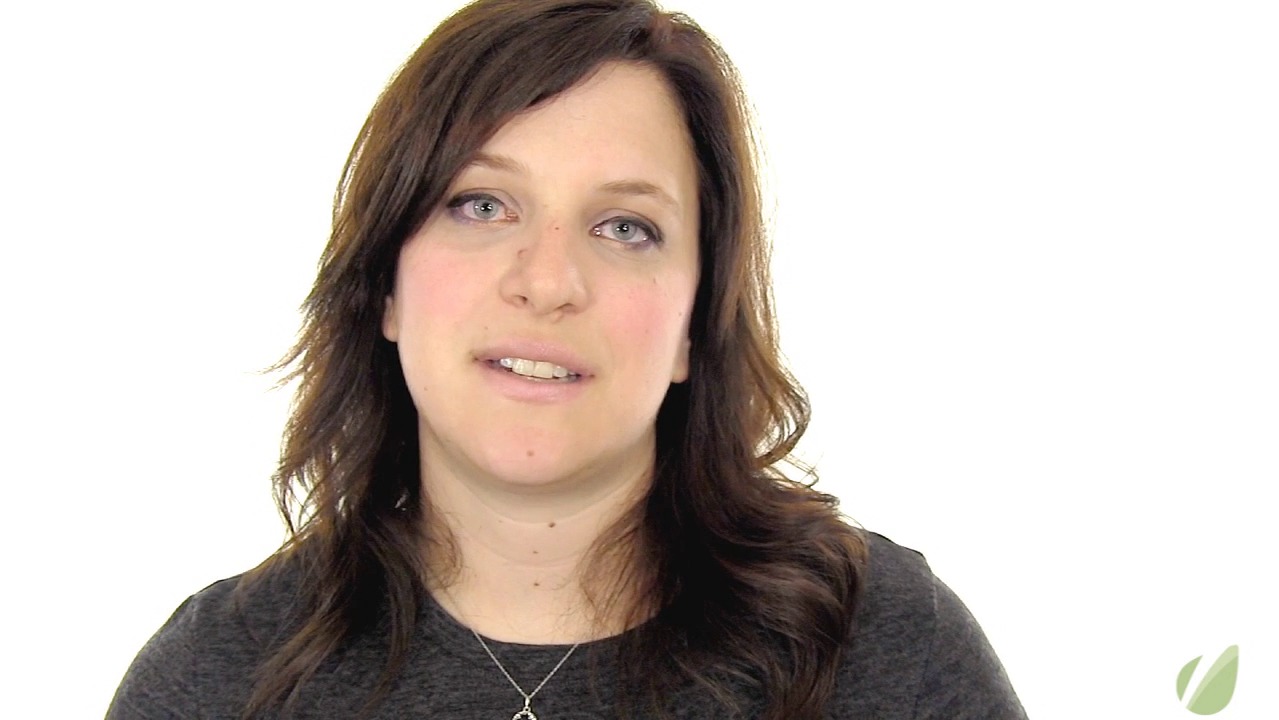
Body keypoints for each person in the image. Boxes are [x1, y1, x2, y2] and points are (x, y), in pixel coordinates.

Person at [107, 1, 1027, 718]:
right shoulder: (221, 677)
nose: (547, 282)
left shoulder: (882, 650)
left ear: (695, 323)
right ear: (385, 283)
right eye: (481, 205)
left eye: (625, 227)